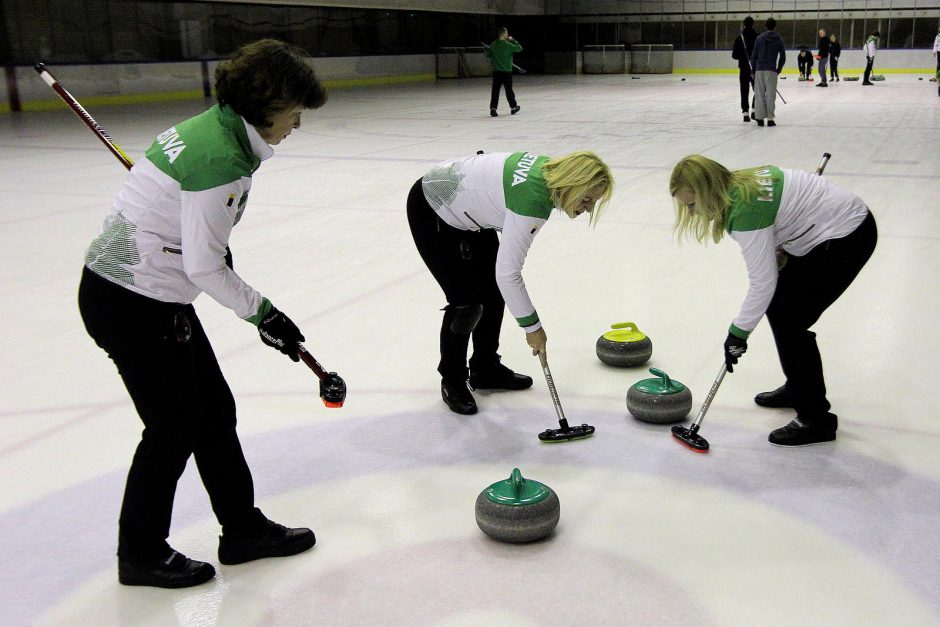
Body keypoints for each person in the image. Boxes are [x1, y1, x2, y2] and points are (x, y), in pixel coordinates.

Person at [78, 39, 326, 588]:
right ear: (268, 104)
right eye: (294, 113)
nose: (296, 125)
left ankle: (242, 529)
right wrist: (266, 316)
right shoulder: (220, 157)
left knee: (213, 413)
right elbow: (205, 268)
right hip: (131, 301)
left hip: (148, 292)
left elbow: (192, 237)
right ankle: (139, 552)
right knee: (172, 428)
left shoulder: (216, 131)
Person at [669, 155, 877, 447]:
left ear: (709, 190)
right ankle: (799, 386)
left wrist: (737, 334)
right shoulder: (738, 182)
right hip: (823, 229)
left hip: (846, 235)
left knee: (791, 320)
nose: (691, 213)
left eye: (692, 204)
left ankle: (816, 419)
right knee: (781, 310)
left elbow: (762, 283)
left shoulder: (745, 211)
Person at [407, 151, 614, 415]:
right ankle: (453, 379)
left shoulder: (548, 175)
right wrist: (533, 328)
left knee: (493, 293)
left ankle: (485, 368)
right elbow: (509, 273)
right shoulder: (532, 201)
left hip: (468, 208)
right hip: (433, 206)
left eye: (593, 202)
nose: (588, 209)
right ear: (570, 182)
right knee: (466, 303)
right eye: (586, 199)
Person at [750, 18, 786, 127]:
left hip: (759, 70)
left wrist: (753, 70)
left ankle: (760, 118)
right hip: (771, 70)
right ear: (774, 26)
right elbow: (783, 56)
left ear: (765, 26)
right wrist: (778, 69)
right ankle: (770, 119)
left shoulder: (759, 38)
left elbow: (753, 57)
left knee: (759, 94)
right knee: (771, 95)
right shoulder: (778, 39)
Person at [485, 27, 523, 117]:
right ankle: (513, 107)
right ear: (504, 33)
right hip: (506, 72)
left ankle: (493, 109)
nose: (507, 35)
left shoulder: (493, 44)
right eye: (507, 33)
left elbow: (488, 54)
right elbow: (520, 48)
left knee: (495, 91)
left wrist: (494, 54)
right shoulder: (508, 45)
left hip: (496, 72)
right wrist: (513, 40)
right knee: (508, 90)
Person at [731, 16, 758, 122]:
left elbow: (734, 55)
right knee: (757, 90)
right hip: (755, 68)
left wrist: (742, 57)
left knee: (744, 90)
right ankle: (754, 110)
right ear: (753, 24)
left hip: (743, 68)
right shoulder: (757, 37)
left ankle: (745, 113)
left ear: (744, 24)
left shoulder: (739, 38)